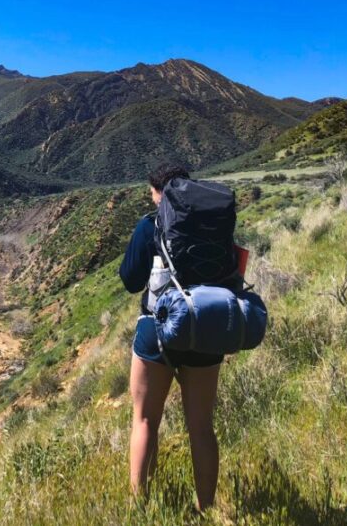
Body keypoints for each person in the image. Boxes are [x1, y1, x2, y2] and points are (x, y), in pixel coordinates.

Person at [119, 164, 226, 513]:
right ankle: (206, 509)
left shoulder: (150, 225)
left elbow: (131, 280)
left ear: (157, 191)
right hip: (205, 329)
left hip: (157, 328)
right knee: (201, 427)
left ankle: (140, 511)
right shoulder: (213, 225)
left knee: (146, 420)